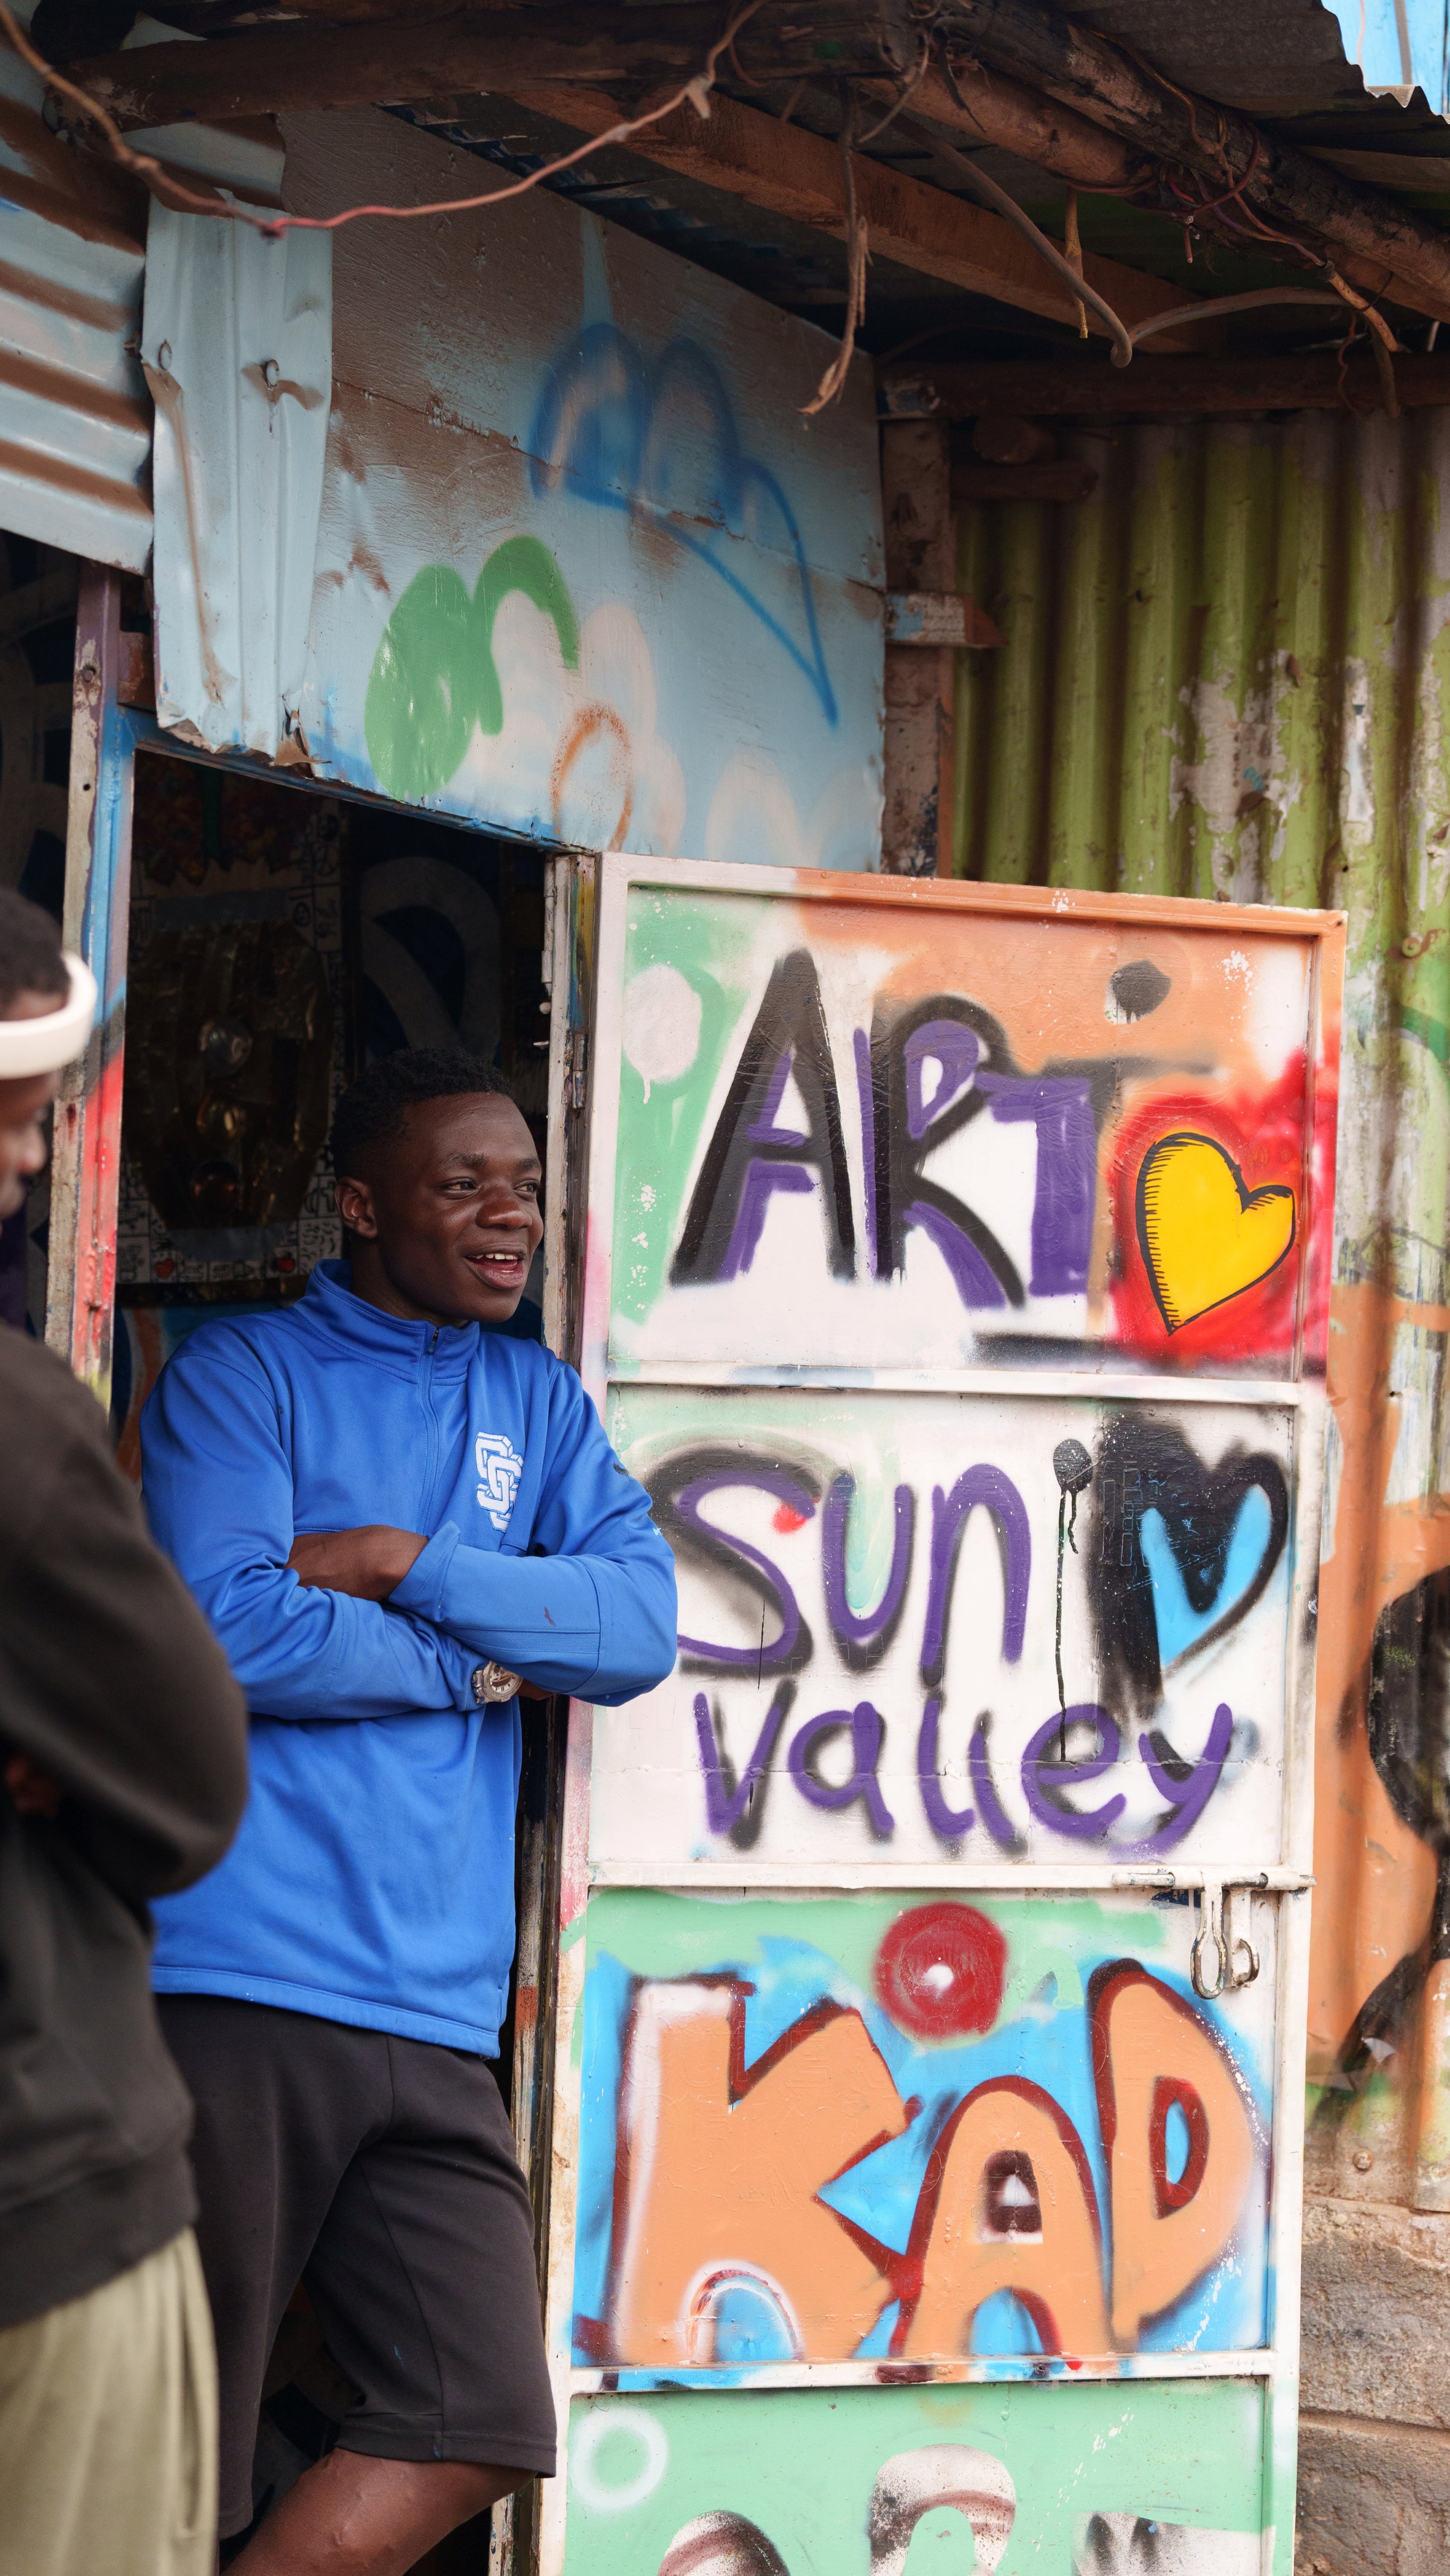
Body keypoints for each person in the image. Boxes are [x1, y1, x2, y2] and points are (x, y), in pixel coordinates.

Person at [141, 1046, 678, 2574]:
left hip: (438, 2006)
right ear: (366, 1204)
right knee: (177, 2440)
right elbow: (226, 1625)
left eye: (526, 1187)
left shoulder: (538, 1399)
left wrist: (399, 1561)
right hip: (241, 1978)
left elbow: (636, 1625)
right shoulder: (241, 1377)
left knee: (479, 2413)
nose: (511, 1216)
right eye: (465, 1185)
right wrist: (482, 1664)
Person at [0, 884, 250, 2576]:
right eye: (14, 1118)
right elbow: (186, 1778)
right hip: (41, 2186)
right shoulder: (26, 1431)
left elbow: (621, 1615)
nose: (32, 1161)